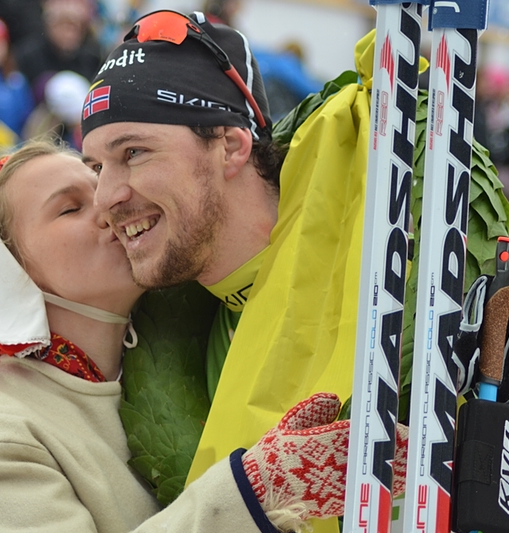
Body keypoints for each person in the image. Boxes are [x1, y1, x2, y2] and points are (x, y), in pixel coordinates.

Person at [0, 138, 405, 532]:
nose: (108, 206)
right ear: (11, 273)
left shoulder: (196, 353)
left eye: (98, 183)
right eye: (70, 208)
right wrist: (252, 493)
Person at [79, 13, 391, 530]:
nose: (105, 197)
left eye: (133, 152)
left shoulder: (380, 267)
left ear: (230, 146)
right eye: (96, 167)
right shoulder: (175, 337)